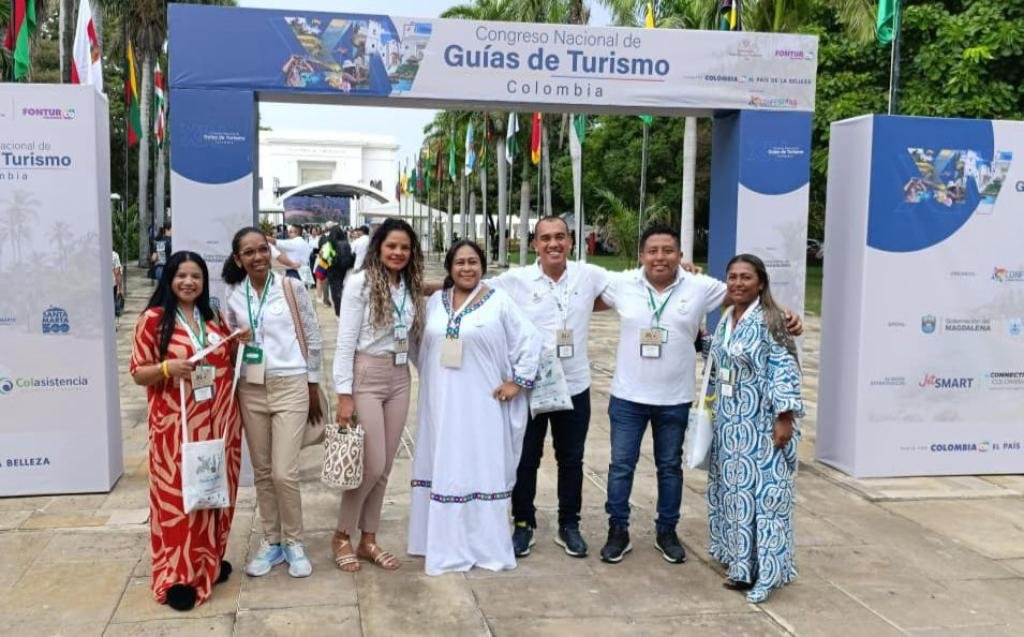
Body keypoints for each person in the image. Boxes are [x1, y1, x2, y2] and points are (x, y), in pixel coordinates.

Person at [595, 226, 802, 566]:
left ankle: (667, 532)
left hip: (675, 398)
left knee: (669, 468)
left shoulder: (701, 286)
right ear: (641, 256)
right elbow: (580, 299)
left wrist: (786, 315)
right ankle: (618, 531)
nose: (660, 257)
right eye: (653, 251)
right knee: (620, 467)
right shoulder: (622, 284)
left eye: (668, 250)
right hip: (628, 397)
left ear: (680, 255)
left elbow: (745, 293)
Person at [408, 240, 541, 575]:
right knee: (445, 463)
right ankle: (442, 544)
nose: (467, 268)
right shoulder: (435, 304)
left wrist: (518, 382)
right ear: (450, 268)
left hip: (483, 404)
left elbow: (530, 340)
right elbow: (416, 344)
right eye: (460, 263)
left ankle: (483, 545)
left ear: (482, 266)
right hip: (440, 402)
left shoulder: (499, 302)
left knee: (479, 465)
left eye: (473, 262)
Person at [486, 216, 610, 559]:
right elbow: (471, 286)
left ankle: (569, 524)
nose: (553, 244)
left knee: (571, 459)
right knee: (526, 458)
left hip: (575, 385)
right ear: (535, 244)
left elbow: (636, 284)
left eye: (560, 237)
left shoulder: (590, 275)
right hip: (531, 386)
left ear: (571, 241)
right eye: (545, 239)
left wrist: (683, 270)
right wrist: (417, 287)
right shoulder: (517, 280)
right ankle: (523, 523)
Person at [129, 251, 242, 611]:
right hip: (175, 426)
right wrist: (165, 368)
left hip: (217, 420)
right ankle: (177, 574)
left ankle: (208, 560)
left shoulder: (212, 316)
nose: (189, 282)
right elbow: (137, 372)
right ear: (169, 279)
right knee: (179, 498)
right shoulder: (154, 320)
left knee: (212, 490)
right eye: (182, 276)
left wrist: (239, 339)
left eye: (196, 276)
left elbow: (224, 357)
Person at [221, 227, 324, 579]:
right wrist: (237, 340)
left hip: (291, 383)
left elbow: (312, 335)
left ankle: (295, 541)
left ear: (271, 251)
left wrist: (312, 384)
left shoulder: (290, 287)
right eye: (248, 252)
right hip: (251, 387)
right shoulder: (233, 294)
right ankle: (272, 540)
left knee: (284, 471)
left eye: (262, 250)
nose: (257, 257)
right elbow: (229, 345)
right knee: (263, 471)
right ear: (238, 259)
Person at [707, 254, 803, 604]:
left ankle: (767, 573)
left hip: (762, 425)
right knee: (737, 497)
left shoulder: (772, 319)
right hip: (731, 428)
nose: (737, 284)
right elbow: (723, 359)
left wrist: (785, 417)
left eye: (745, 277)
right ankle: (741, 566)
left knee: (766, 500)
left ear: (760, 282)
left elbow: (784, 368)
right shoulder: (727, 318)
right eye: (732, 277)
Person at [332, 218, 426, 572]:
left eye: (404, 247)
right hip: (366, 375)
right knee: (369, 465)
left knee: (385, 466)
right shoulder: (360, 283)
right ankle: (341, 534)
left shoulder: (409, 287)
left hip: (399, 377)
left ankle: (368, 538)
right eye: (392, 246)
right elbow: (344, 344)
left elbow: (413, 340)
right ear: (378, 248)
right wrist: (344, 394)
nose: (398, 252)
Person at [325, 226, 356, 317]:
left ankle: (339, 312)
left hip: (332, 270)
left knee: (335, 291)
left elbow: (325, 259)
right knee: (342, 289)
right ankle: (345, 310)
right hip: (343, 269)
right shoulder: (346, 244)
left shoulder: (329, 244)